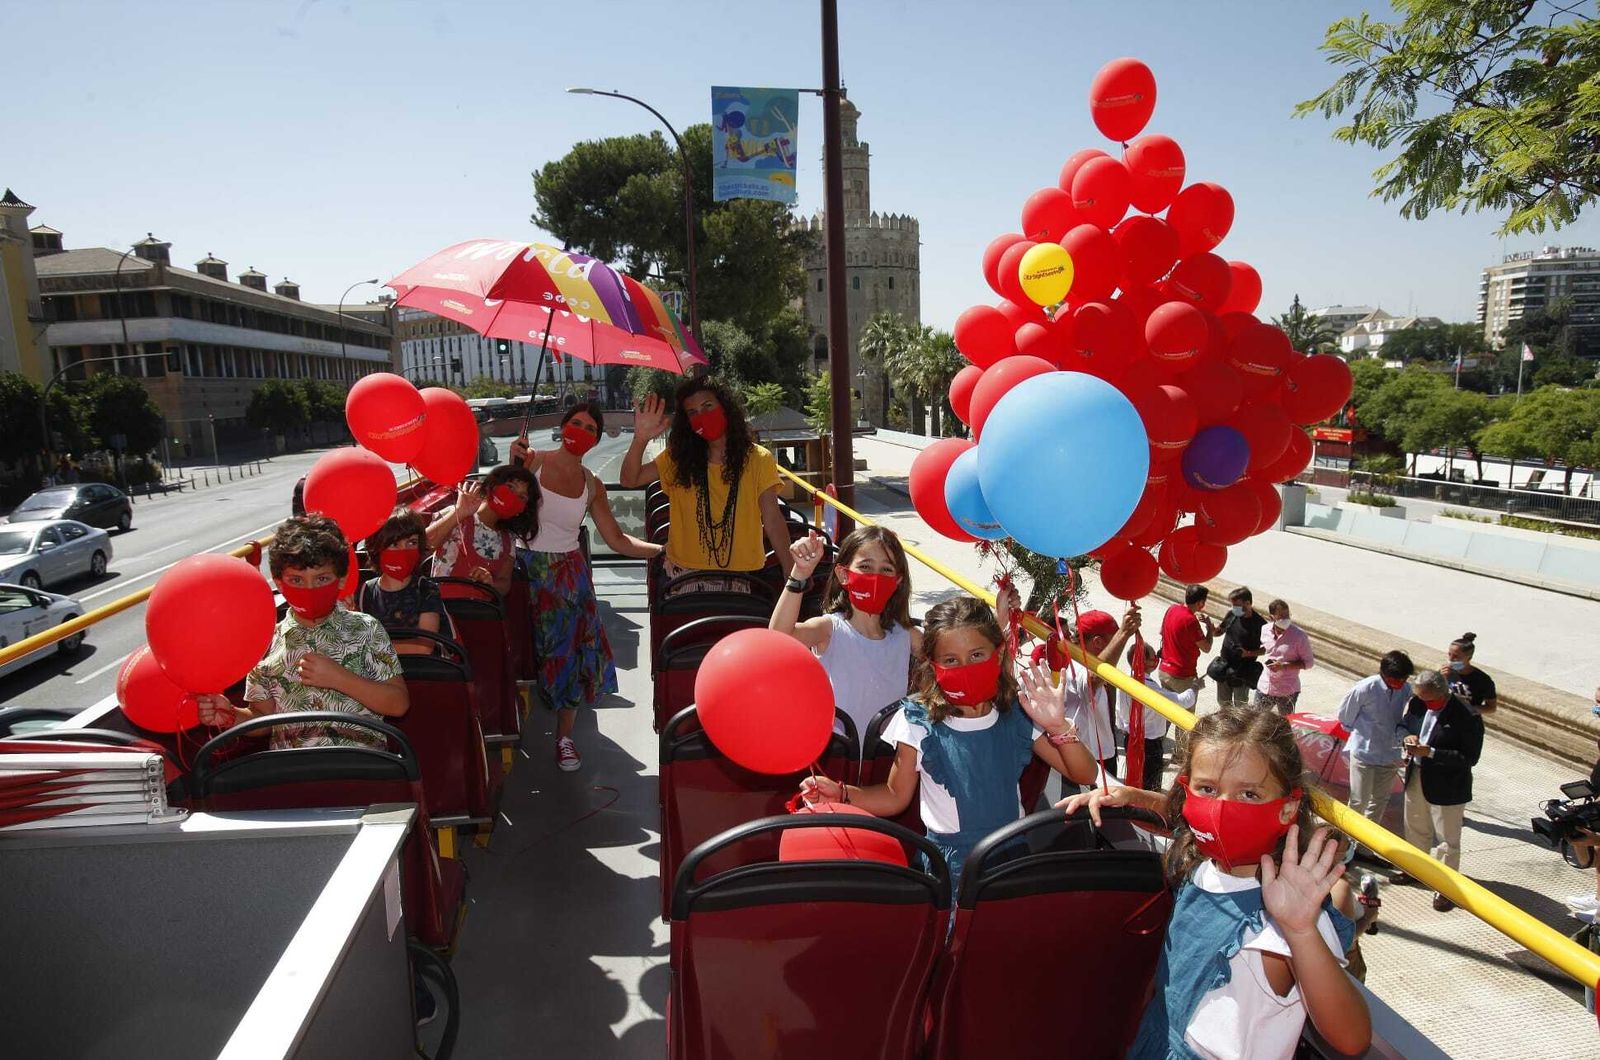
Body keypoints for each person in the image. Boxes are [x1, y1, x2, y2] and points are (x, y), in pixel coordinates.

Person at [1064, 706, 1368, 1059]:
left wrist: (1301, 931)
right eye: (1207, 789)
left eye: (1249, 795)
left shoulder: (1290, 915)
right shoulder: (1203, 863)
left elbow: (1352, 1038)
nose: (1221, 808)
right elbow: (1185, 825)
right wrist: (1134, 798)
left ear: (1287, 809)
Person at [796, 594, 1098, 892]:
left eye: (977, 655)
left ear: (999, 651)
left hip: (1010, 856)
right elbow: (894, 796)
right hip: (951, 866)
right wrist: (842, 793)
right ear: (933, 665)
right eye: (951, 661)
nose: (965, 668)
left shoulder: (1016, 714)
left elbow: (1083, 774)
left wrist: (1058, 726)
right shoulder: (917, 721)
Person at [508, 401, 662, 773]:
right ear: (562, 428)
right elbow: (503, 510)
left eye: (590, 428)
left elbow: (616, 538)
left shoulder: (592, 485)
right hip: (523, 572)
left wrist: (661, 551)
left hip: (569, 578)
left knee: (572, 657)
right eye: (575, 423)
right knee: (525, 655)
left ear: (595, 440)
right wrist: (513, 468)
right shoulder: (532, 462)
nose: (581, 431)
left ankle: (564, 738)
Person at [195, 514, 409, 748]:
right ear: (279, 583)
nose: (309, 589)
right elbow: (262, 720)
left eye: (322, 579)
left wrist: (339, 679)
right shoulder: (265, 642)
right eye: (296, 580)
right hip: (293, 772)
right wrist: (230, 715)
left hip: (360, 766)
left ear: (341, 580)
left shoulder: (366, 629)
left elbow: (398, 704)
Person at [619, 377, 794, 585]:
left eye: (707, 406)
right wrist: (640, 438)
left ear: (725, 407)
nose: (702, 415)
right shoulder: (677, 458)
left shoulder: (759, 459)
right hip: (684, 574)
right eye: (693, 412)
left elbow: (773, 519)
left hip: (743, 576)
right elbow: (630, 480)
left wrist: (791, 570)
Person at [769, 524, 921, 741]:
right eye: (866, 567)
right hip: (837, 752)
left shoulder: (907, 635)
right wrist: (799, 573)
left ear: (898, 580)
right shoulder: (829, 629)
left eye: (886, 569)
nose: (875, 577)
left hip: (885, 758)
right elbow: (777, 640)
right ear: (843, 575)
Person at [1401, 668, 1484, 911]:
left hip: (1448, 785)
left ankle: (1445, 888)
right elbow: (1407, 724)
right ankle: (1416, 871)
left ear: (1444, 692)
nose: (1425, 704)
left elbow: (1469, 757)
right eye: (1422, 699)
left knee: (1447, 840)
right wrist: (1408, 738)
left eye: (1430, 700)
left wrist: (1432, 753)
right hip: (1417, 774)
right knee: (1415, 826)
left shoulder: (1467, 716)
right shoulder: (1418, 702)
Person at [427, 463, 539, 600]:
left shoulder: (509, 539)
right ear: (493, 485)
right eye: (510, 487)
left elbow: (505, 584)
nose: (513, 496)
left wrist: (490, 582)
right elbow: (424, 544)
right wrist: (460, 512)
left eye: (521, 497)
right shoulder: (457, 513)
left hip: (480, 614)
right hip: (443, 611)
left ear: (522, 510)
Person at [1337, 650, 1415, 837]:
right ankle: (1346, 842)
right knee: (1358, 801)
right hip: (1365, 752)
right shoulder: (1365, 688)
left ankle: (1365, 846)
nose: (1402, 684)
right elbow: (1345, 717)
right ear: (1386, 675)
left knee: (1379, 800)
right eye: (1398, 680)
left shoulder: (1405, 690)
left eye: (1405, 679)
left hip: (1390, 752)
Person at [1059, 606, 1142, 782]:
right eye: (1113, 639)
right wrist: (1124, 633)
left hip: (1104, 753)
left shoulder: (1099, 662)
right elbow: (1092, 681)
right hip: (1088, 757)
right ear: (1097, 642)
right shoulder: (1076, 666)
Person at [358, 508, 446, 655]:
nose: (403, 551)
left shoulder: (426, 590)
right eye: (394, 544)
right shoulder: (365, 591)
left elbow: (423, 647)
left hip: (421, 672)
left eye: (412, 543)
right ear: (376, 549)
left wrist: (372, 648)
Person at [1116, 640, 1196, 791]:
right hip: (1148, 743)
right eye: (1153, 657)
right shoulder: (1147, 685)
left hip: (1130, 737)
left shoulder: (1124, 677)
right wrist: (1194, 688)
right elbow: (1180, 702)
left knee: (1135, 778)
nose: (1156, 660)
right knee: (1150, 785)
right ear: (1142, 661)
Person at [1254, 599, 1314, 715]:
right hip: (1265, 686)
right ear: (1272, 617)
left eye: (1287, 615)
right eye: (1281, 616)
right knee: (1255, 721)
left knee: (1285, 725)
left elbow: (1309, 663)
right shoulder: (1265, 630)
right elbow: (1267, 650)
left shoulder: (1299, 636)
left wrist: (1283, 666)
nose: (1285, 619)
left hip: (1287, 690)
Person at [1213, 586, 1266, 709]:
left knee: (1240, 705)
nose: (1234, 608)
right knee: (1223, 702)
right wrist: (1212, 630)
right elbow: (1219, 631)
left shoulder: (1260, 624)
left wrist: (1249, 653)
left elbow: (1266, 649)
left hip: (1243, 670)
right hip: (1225, 666)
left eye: (1236, 605)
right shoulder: (1232, 615)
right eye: (1232, 605)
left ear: (1248, 603)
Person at [1158, 584, 1215, 695]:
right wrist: (1209, 629)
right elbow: (1206, 648)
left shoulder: (1171, 609)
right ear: (1201, 603)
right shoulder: (1191, 621)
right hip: (1182, 677)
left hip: (1164, 671)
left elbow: (1162, 632)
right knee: (1184, 711)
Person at [1442, 632, 1498, 716]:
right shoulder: (1445, 672)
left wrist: (1469, 709)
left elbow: (1491, 708)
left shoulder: (1482, 680)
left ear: (1468, 657)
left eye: (1456, 656)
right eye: (1449, 654)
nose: (1451, 659)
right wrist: (1441, 678)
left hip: (1467, 721)